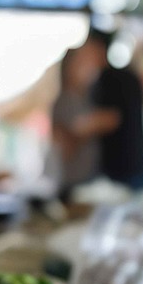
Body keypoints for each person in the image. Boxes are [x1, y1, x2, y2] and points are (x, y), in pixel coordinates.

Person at [82, 29, 143, 190]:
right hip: (140, 163)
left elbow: (110, 119)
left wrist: (78, 128)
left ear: (99, 48)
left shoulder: (105, 80)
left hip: (121, 172)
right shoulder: (130, 76)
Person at [50, 43, 101, 203]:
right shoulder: (65, 100)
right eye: (83, 63)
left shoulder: (84, 98)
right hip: (72, 186)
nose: (90, 69)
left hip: (87, 182)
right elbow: (66, 143)